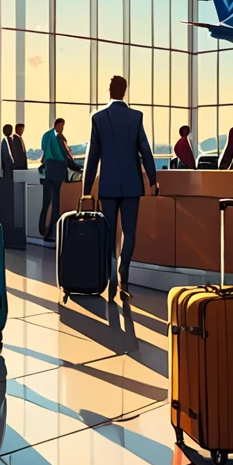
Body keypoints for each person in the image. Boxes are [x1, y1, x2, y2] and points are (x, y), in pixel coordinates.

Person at [83, 76, 159, 301]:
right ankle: (124, 268)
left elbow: (92, 156)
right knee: (129, 232)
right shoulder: (136, 117)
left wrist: (86, 188)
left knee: (108, 230)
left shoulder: (98, 118)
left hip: (108, 185)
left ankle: (110, 270)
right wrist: (153, 180)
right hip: (132, 184)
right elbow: (145, 150)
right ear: (125, 91)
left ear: (109, 91)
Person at [38, 118, 71, 242]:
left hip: (47, 173)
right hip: (56, 172)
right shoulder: (58, 138)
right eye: (61, 126)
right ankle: (51, 232)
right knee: (55, 203)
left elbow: (44, 153)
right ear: (56, 125)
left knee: (46, 202)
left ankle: (44, 231)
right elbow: (64, 155)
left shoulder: (46, 136)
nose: (62, 128)